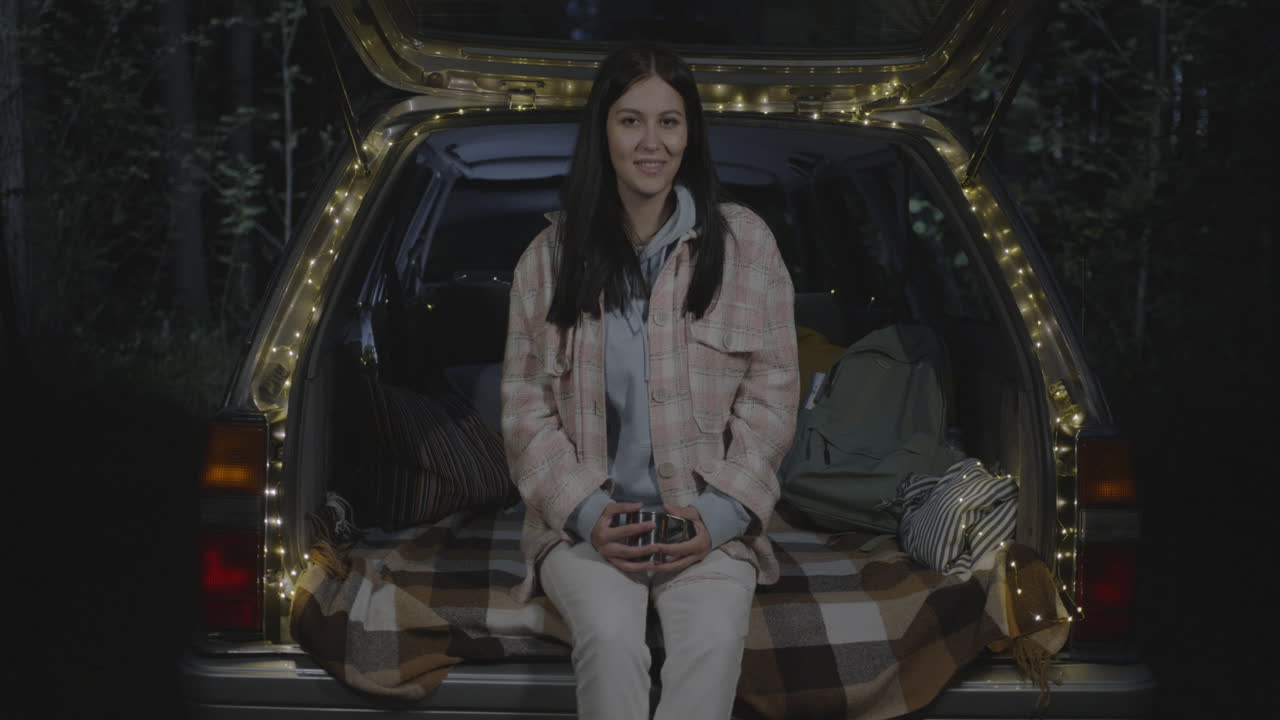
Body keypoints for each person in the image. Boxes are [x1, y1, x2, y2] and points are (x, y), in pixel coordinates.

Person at [501, 41, 799, 720]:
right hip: (587, 528)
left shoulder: (747, 246)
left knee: (716, 640)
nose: (651, 142)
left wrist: (719, 515)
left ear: (690, 133)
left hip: (705, 520)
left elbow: (774, 398)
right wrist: (586, 513)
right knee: (609, 638)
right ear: (602, 130)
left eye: (669, 121)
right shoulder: (546, 261)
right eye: (631, 120)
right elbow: (525, 414)